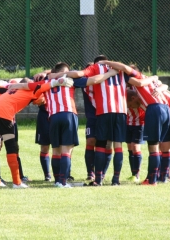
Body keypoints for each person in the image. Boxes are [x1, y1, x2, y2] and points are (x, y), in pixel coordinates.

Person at [17, 61, 118, 187]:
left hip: (53, 116)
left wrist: (12, 86)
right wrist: (110, 74)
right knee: (66, 150)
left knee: (56, 151)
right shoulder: (71, 79)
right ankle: (63, 182)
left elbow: (28, 85)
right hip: (69, 114)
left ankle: (57, 180)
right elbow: (93, 80)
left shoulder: (47, 81)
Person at [48, 56, 132, 186]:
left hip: (99, 111)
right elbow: (136, 77)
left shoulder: (95, 69)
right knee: (113, 145)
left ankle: (97, 178)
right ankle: (101, 177)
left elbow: (81, 75)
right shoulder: (119, 69)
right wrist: (155, 80)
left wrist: (51, 75)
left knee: (101, 144)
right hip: (113, 112)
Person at [0, 76, 73, 188]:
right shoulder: (33, 89)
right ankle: (17, 182)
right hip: (4, 114)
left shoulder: (13, 89)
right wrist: (60, 81)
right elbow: (47, 86)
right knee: (12, 148)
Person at [104, 60, 170, 185]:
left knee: (153, 147)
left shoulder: (138, 79)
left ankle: (152, 180)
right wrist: (155, 78)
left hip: (154, 109)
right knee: (159, 146)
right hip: (165, 108)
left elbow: (124, 67)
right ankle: (159, 176)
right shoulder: (148, 80)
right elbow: (161, 84)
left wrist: (105, 62)